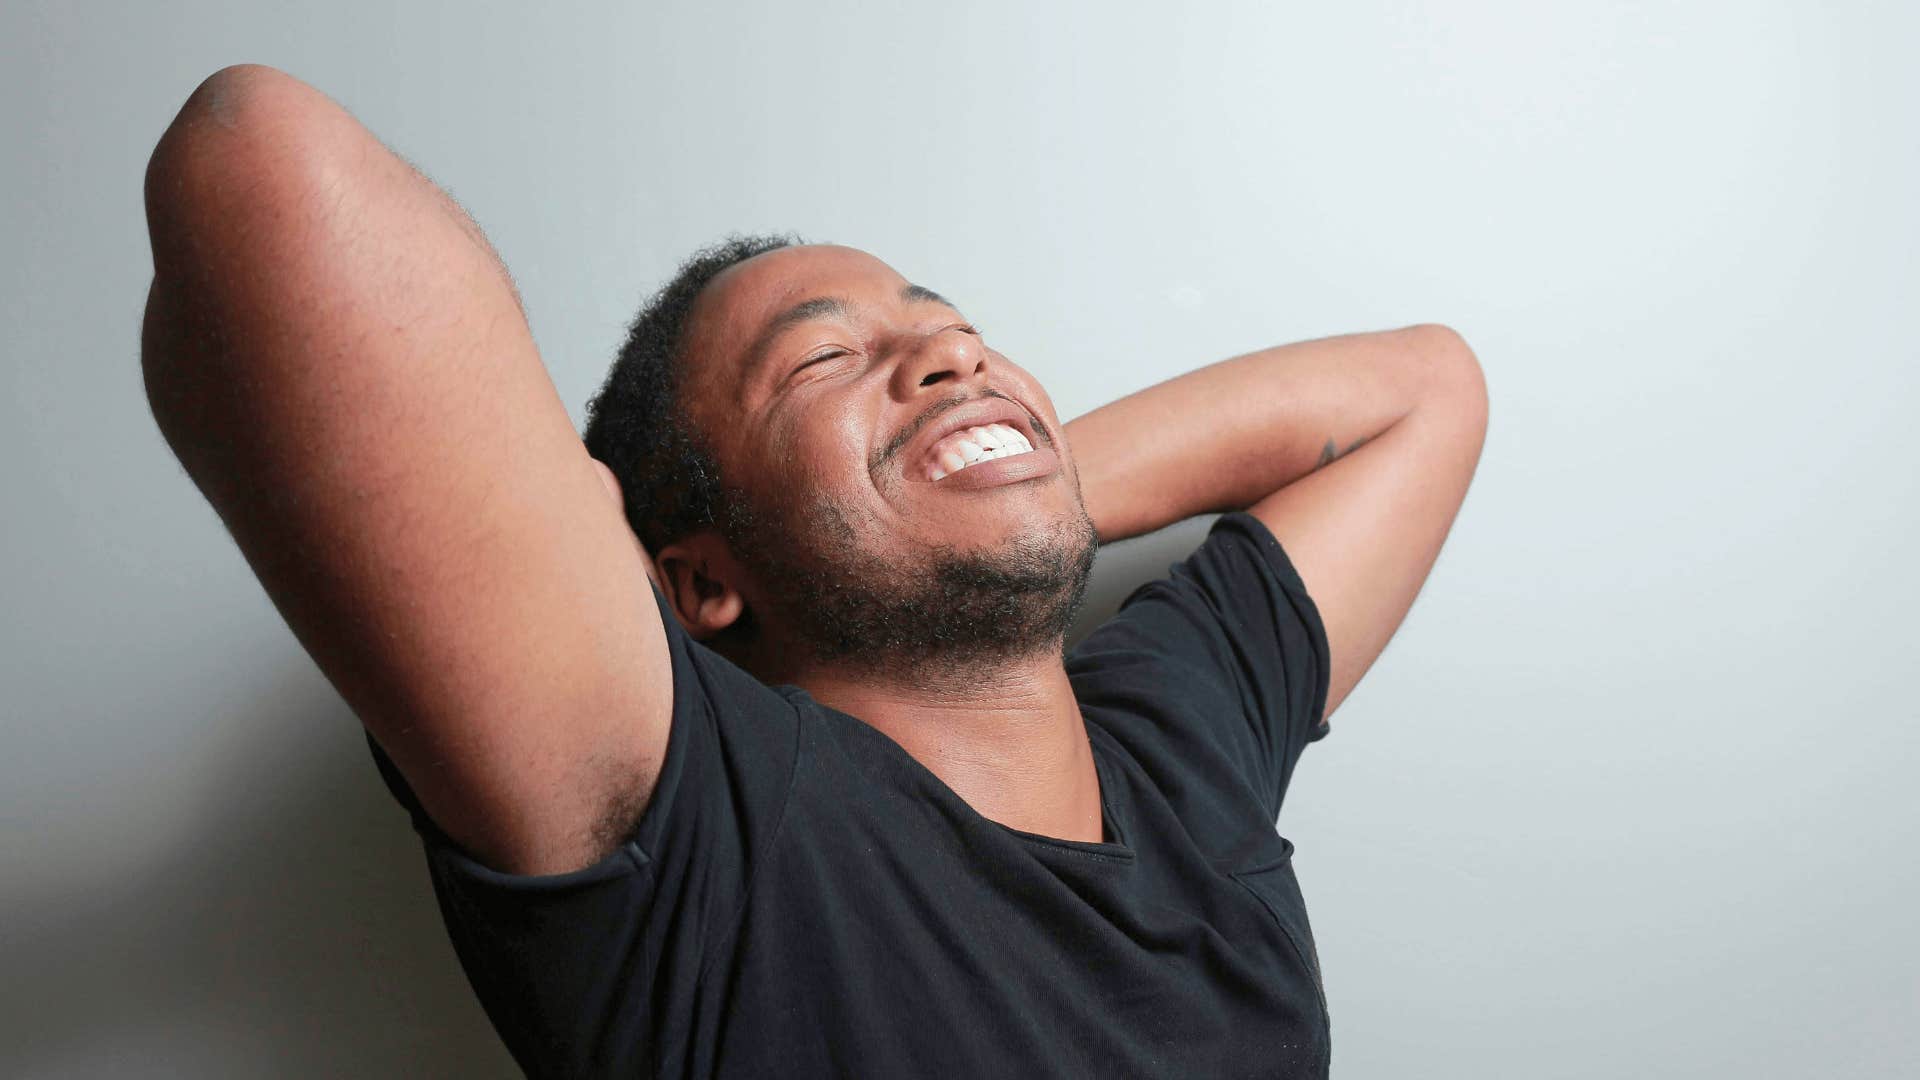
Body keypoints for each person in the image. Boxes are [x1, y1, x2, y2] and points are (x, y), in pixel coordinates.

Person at [140, 65, 1487, 1080]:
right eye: (824, 360)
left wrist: (997, 480)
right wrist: (941, 479)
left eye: (955, 332)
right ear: (696, 582)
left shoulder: (1178, 745)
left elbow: (1426, 388)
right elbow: (257, 161)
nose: (953, 355)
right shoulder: (704, 829)